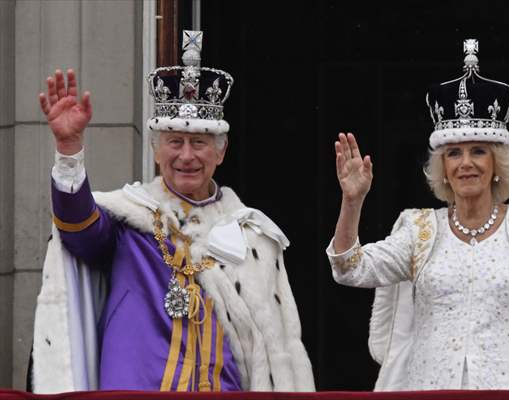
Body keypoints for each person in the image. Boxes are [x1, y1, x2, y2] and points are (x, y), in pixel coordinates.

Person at [32, 30, 314, 393]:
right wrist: (68, 149)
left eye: (199, 143)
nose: (186, 156)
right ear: (156, 150)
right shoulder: (129, 221)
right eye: (175, 142)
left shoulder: (253, 237)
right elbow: (79, 231)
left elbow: (274, 352)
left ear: (220, 152)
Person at [326, 39, 509, 390]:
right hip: (430, 389)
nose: (466, 163)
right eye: (454, 153)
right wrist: (352, 202)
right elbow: (350, 269)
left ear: (497, 164)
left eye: (478, 151)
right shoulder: (419, 229)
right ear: (442, 167)